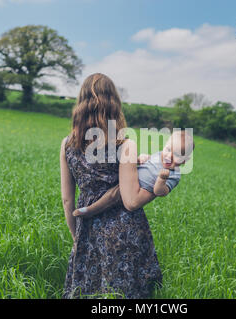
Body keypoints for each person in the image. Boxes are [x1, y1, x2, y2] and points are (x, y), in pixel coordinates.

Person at [60, 73, 162, 298]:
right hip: (125, 231)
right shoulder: (125, 144)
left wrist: (77, 235)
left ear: (81, 104)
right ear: (114, 105)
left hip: (86, 228)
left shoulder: (67, 144)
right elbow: (130, 200)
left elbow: (67, 199)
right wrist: (157, 186)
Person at [73, 130, 195, 219]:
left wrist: (162, 179)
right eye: (168, 149)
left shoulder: (174, 175)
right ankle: (93, 208)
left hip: (145, 191)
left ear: (185, 160)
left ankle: (89, 211)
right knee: (113, 191)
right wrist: (141, 158)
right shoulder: (159, 155)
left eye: (178, 155)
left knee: (115, 195)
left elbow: (160, 192)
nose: (169, 156)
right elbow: (146, 163)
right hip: (134, 180)